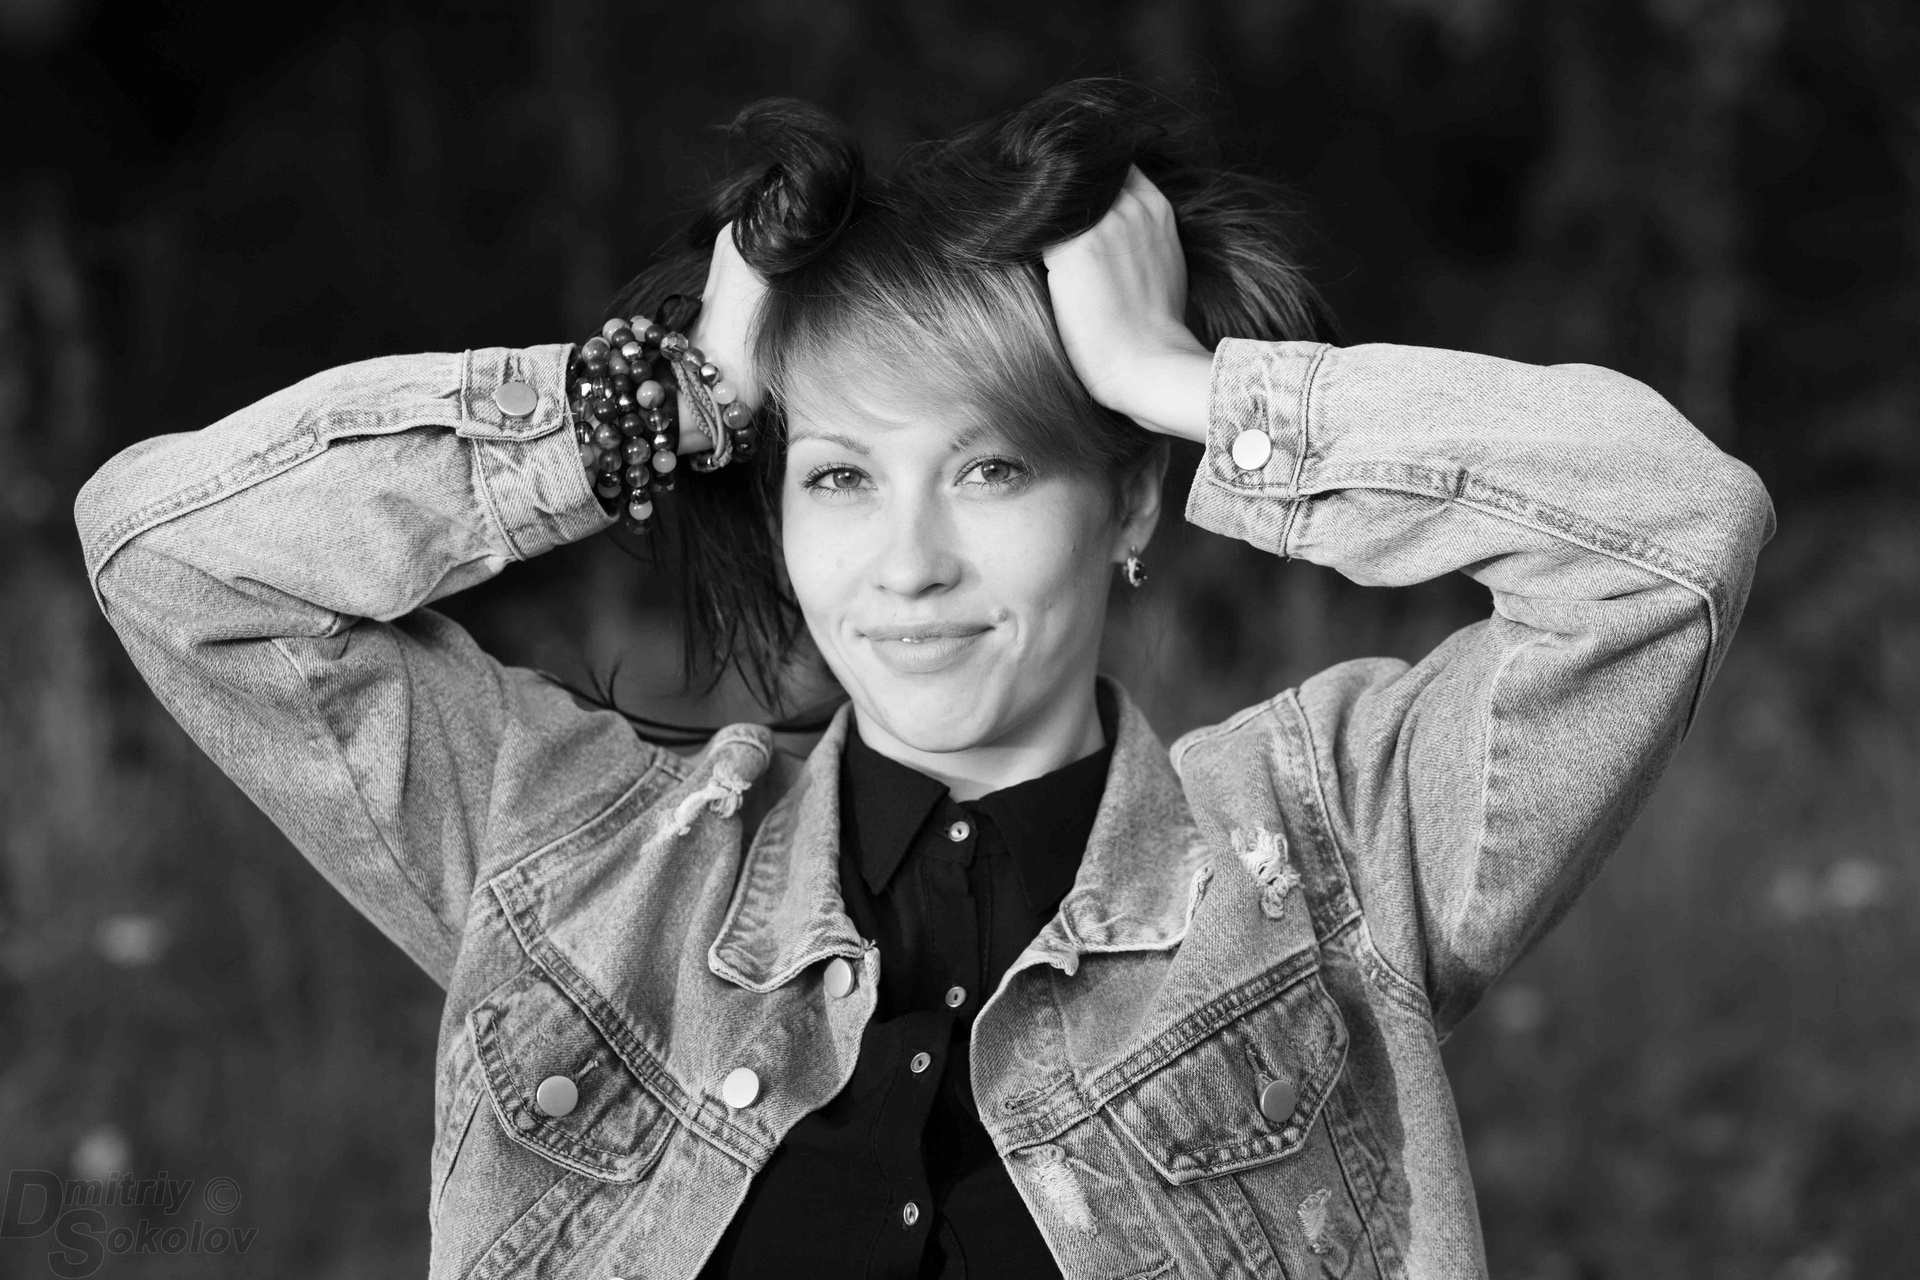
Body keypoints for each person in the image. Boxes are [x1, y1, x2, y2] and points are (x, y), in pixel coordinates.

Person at [74, 80, 1772, 1279]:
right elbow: (173, 558)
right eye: (838, 476)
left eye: (991, 471)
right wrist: (654, 402)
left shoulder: (1336, 852)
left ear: (1124, 505)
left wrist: (1184, 385)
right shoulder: (573, 856)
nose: (907, 565)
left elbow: (1668, 535)